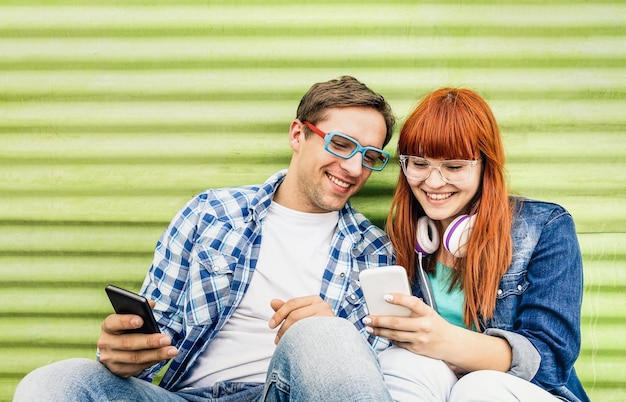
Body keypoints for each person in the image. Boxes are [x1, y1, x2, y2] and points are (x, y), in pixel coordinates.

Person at [13, 76, 399, 402]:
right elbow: (158, 326)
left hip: (279, 394)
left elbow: (366, 375)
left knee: (325, 335)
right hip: (184, 395)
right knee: (54, 381)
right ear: (298, 134)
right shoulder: (211, 212)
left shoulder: (375, 252)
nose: (353, 167)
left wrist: (335, 332)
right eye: (341, 145)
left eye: (369, 156)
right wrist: (122, 353)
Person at [365, 87, 590, 401]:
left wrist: (446, 341)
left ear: (486, 166)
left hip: (526, 392)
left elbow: (551, 360)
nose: (432, 182)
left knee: (479, 387)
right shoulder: (402, 240)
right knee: (399, 362)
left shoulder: (545, 228)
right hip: (442, 389)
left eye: (454, 167)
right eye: (419, 164)